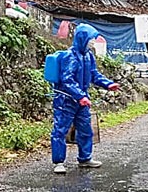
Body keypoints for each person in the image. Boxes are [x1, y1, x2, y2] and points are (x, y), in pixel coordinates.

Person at [51, 24, 120, 174]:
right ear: (82, 38)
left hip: (82, 100)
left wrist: (108, 84)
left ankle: (85, 158)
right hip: (66, 100)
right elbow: (67, 80)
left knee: (85, 130)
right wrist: (79, 96)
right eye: (90, 39)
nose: (92, 42)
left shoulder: (89, 56)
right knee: (60, 130)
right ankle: (59, 162)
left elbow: (94, 74)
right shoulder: (70, 56)